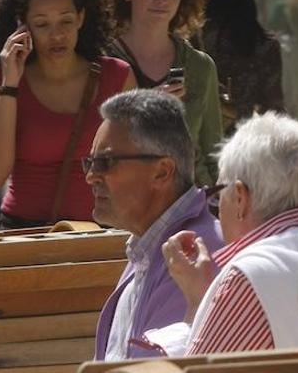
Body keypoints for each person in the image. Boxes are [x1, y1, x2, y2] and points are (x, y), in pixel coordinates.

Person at [153, 112, 298, 355]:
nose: (218, 208)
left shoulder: (246, 276)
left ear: (240, 198)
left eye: (219, 195)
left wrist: (197, 304)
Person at [0, 0, 135, 228]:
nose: (57, 35)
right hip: (24, 233)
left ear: (81, 18)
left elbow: (135, 166)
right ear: (22, 25)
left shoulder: (117, 76)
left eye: (66, 21)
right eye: (42, 24)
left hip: (101, 235)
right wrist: (10, 86)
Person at [87, 89, 223, 360]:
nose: (92, 176)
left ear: (162, 171)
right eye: (90, 163)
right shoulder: (150, 246)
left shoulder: (194, 255)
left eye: (105, 162)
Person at [89, 0, 223, 186]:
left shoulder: (200, 67)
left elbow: (214, 154)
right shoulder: (100, 61)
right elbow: (91, 144)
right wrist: (147, 110)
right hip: (120, 205)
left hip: (188, 207)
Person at [194, 0, 284, 132]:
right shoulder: (262, 45)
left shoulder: (186, 38)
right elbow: (274, 111)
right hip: (241, 147)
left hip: (192, 145)